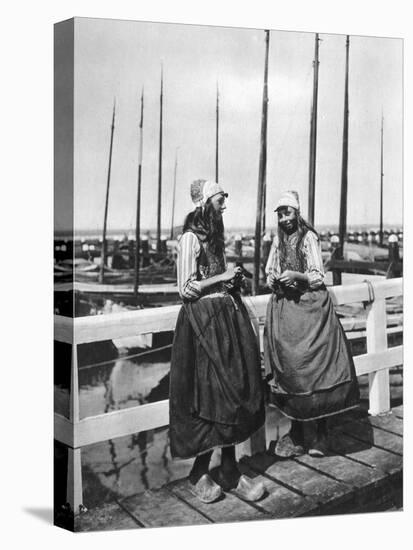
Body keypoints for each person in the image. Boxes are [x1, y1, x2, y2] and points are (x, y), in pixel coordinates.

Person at [169, 179, 265, 503]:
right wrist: (221, 278)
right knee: (211, 398)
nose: (225, 205)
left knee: (235, 389)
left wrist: (231, 281)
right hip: (201, 327)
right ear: (206, 203)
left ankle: (229, 468)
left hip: (226, 320)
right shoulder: (189, 240)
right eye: (221, 199)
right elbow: (185, 288)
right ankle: (199, 472)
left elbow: (215, 279)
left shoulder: (216, 239)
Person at [264, 190, 360, 458]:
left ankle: (321, 433)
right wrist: (273, 279)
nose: (284, 219)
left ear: (297, 213)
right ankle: (295, 432)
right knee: (293, 372)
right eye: (280, 214)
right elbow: (270, 270)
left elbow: (318, 275)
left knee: (318, 369)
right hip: (287, 312)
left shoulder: (309, 237)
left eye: (288, 213)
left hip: (311, 308)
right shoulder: (278, 240)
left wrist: (297, 275)